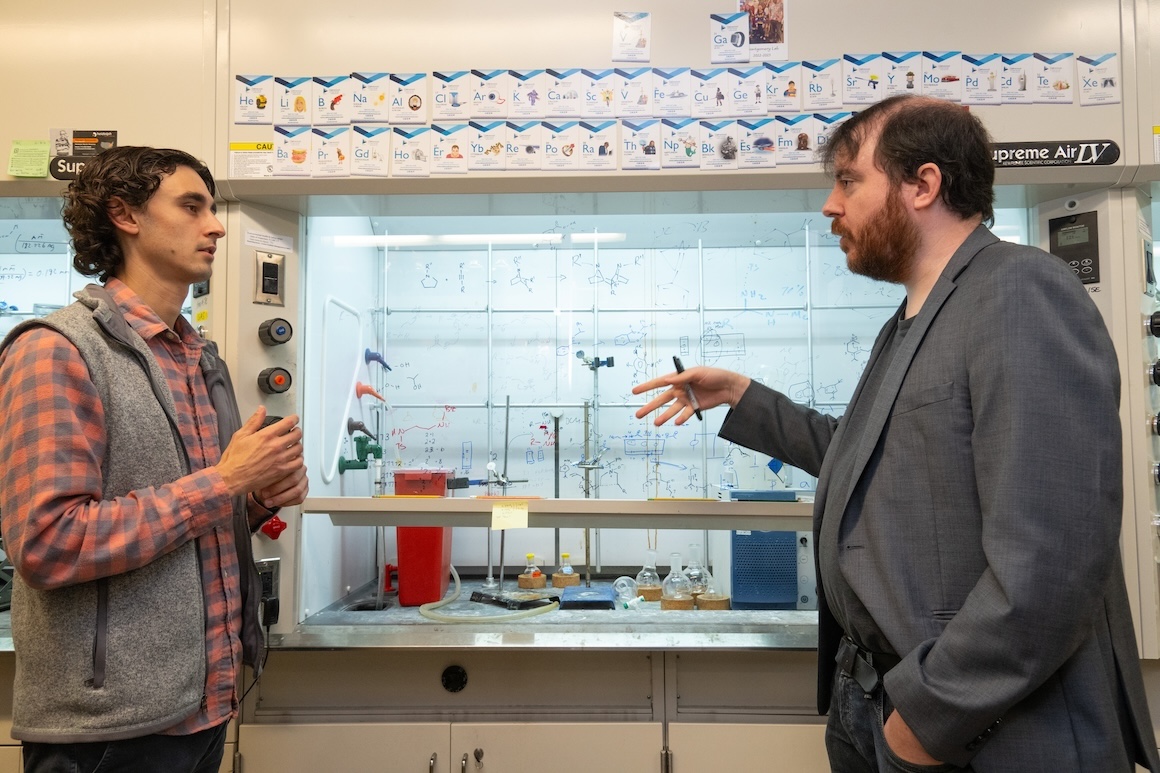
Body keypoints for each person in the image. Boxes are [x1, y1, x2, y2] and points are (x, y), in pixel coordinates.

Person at [633, 95, 1159, 772]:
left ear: (923, 184)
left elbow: (1049, 570)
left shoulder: (1020, 292)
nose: (831, 204)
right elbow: (865, 460)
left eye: (849, 180)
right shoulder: (911, 322)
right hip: (875, 702)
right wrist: (742, 397)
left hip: (971, 726)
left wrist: (924, 720)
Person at [0, 147, 309, 772]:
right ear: (125, 216)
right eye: (191, 207)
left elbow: (187, 522)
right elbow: (48, 543)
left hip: (202, 706)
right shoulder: (55, 352)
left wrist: (252, 499)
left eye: (212, 209)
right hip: (108, 731)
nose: (216, 226)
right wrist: (225, 480)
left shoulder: (195, 357)